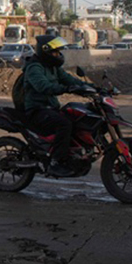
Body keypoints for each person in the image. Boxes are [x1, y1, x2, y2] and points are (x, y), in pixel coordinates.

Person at [22, 34, 92, 175]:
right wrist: (64, 89)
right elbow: (43, 86)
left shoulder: (53, 67)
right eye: (55, 52)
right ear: (45, 51)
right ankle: (56, 161)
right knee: (64, 124)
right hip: (37, 110)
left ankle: (74, 154)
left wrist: (90, 87)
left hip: (51, 108)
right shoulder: (34, 68)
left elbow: (70, 80)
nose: (58, 54)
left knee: (77, 117)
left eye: (59, 51)